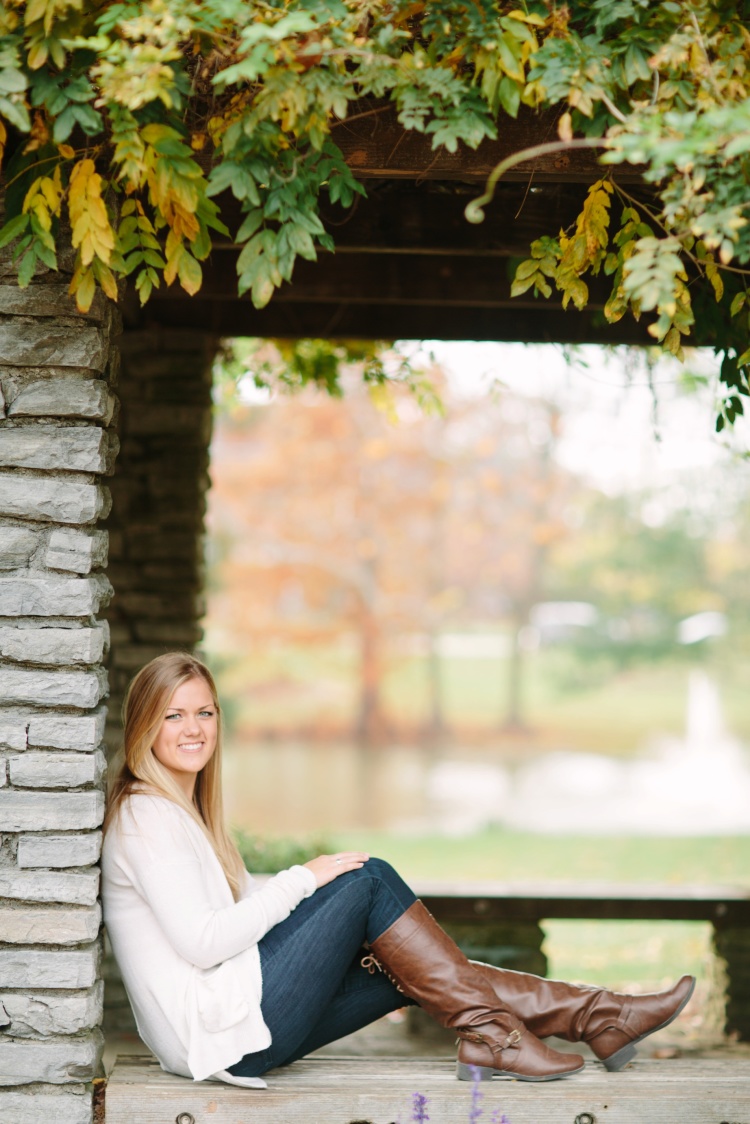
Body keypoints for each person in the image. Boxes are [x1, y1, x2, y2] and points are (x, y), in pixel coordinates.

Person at [102, 652, 695, 1088]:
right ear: (145, 726)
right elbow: (203, 943)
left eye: (204, 712)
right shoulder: (145, 816)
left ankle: (598, 1018)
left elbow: (227, 906)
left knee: (410, 964)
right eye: (174, 716)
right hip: (221, 1035)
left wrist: (300, 885)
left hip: (233, 1034)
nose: (194, 729)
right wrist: (304, 881)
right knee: (369, 878)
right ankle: (506, 1037)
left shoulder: (180, 813)